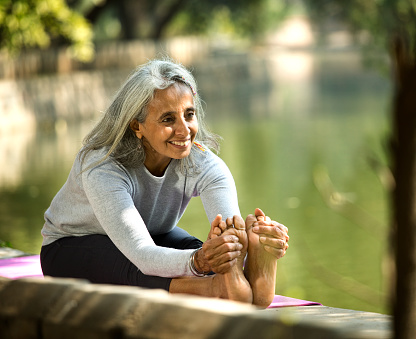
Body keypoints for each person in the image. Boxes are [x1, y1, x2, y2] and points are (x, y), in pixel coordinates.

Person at [40, 57, 289, 308]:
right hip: (72, 246)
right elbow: (142, 254)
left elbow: (228, 226)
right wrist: (199, 262)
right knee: (139, 267)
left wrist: (232, 244)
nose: (184, 131)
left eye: (189, 115)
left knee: (203, 251)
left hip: (153, 236)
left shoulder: (203, 163)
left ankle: (257, 279)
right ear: (137, 126)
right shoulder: (102, 165)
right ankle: (213, 290)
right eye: (168, 119)